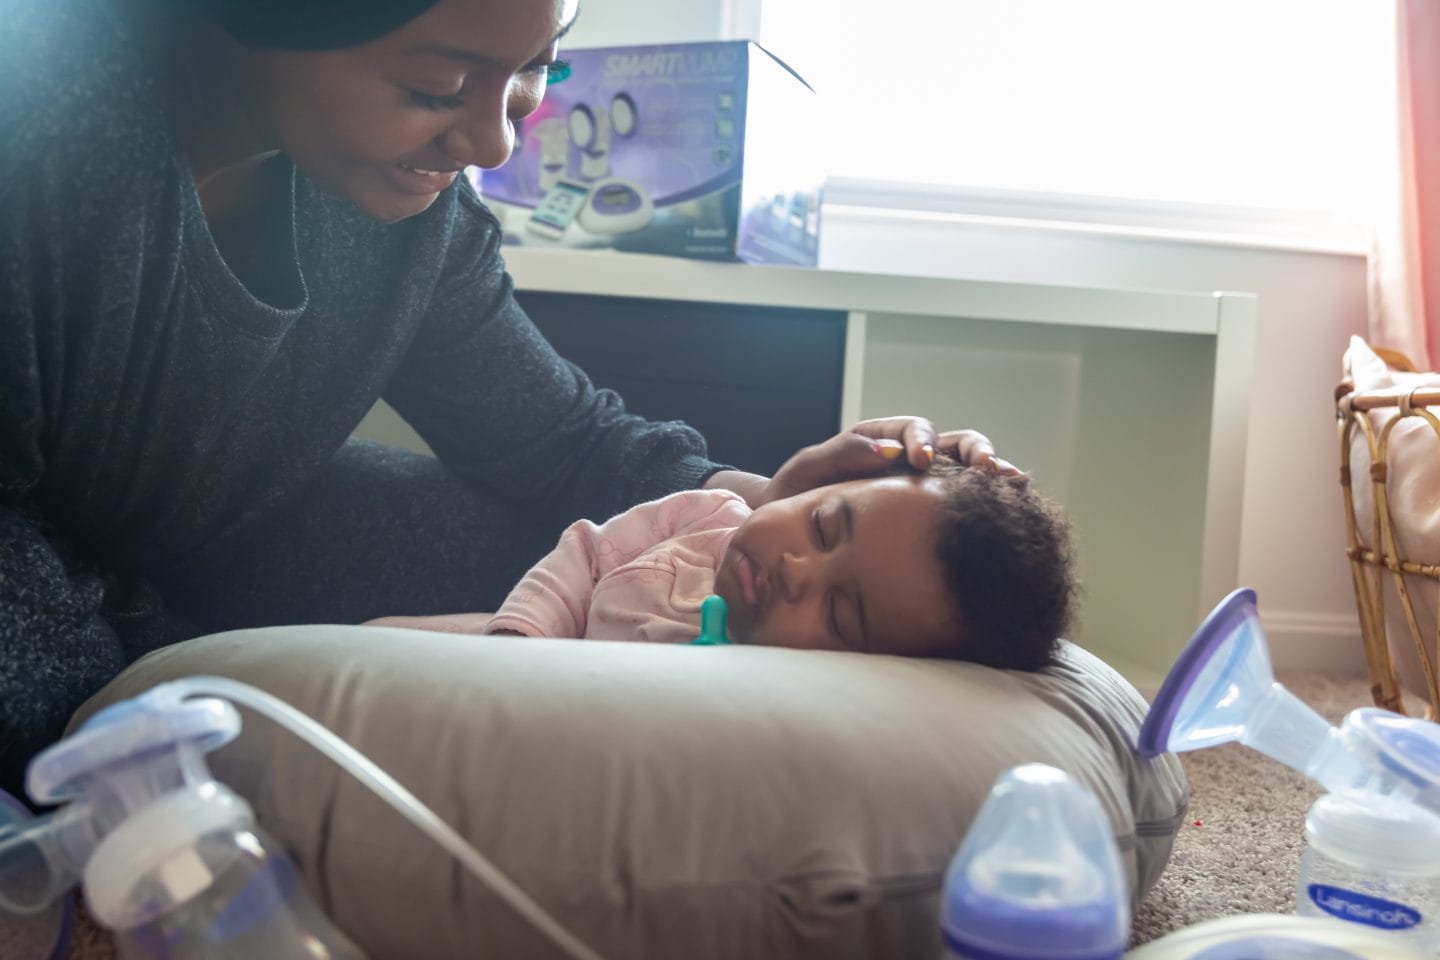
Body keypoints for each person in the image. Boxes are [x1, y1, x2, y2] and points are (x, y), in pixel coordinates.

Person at [0, 0, 1018, 799]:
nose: (493, 144)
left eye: (535, 69)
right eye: (439, 82)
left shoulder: (408, 219)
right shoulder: (47, 122)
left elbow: (559, 443)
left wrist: (771, 496)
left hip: (194, 535)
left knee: (591, 587)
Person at [367, 452, 1074, 670]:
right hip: (519, 644)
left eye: (837, 610)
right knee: (368, 643)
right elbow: (587, 551)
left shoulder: (766, 688)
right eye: (824, 525)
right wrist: (521, 641)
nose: (799, 569)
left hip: (554, 729)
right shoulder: (709, 518)